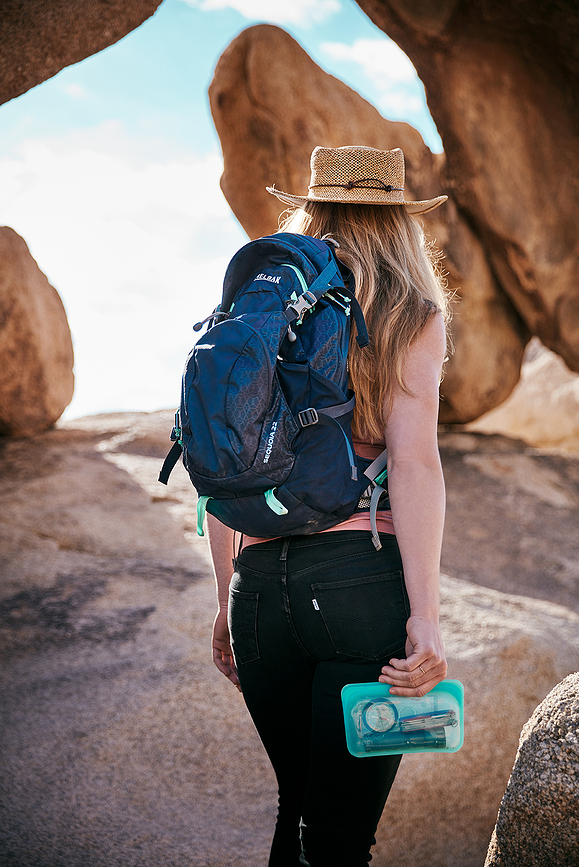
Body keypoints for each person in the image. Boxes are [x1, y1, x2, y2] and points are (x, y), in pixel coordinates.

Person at [207, 145, 450, 867]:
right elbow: (412, 461)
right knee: (338, 836)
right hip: (355, 586)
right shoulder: (409, 311)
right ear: (399, 222)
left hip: (258, 593)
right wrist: (426, 616)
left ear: (310, 208)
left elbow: (226, 457)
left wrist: (227, 596)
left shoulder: (260, 306)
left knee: (298, 810)